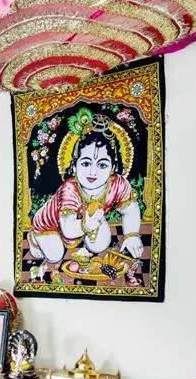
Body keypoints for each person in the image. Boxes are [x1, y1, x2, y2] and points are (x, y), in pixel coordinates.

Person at [28, 111, 142, 266]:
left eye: (102, 165)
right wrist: (87, 225)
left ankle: (85, 234)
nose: (93, 172)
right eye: (86, 163)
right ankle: (34, 238)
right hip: (51, 226)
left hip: (85, 222)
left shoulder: (118, 183)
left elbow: (130, 209)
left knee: (100, 245)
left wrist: (131, 235)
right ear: (74, 166)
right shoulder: (70, 189)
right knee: (55, 256)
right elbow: (68, 229)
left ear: (113, 168)